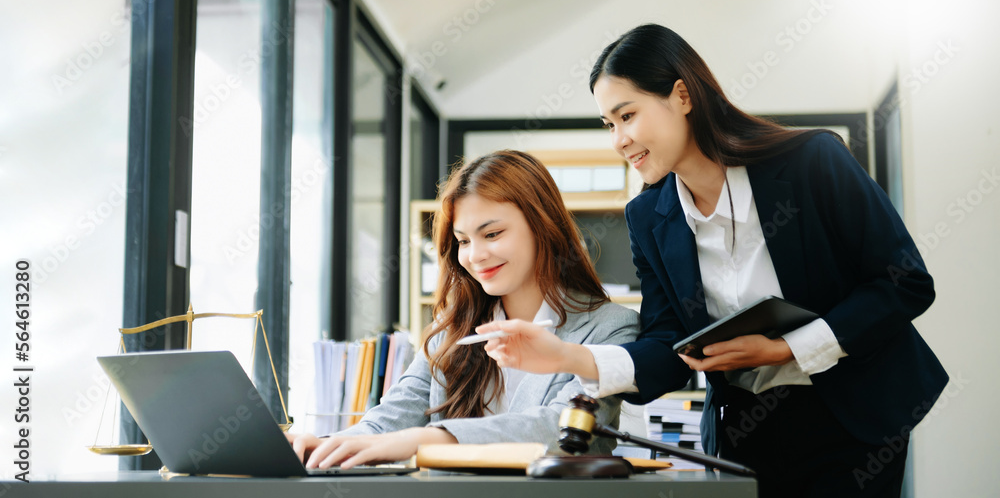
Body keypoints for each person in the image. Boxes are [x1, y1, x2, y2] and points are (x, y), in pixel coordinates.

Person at [479, 25, 948, 497]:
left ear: (682, 95)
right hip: (744, 430)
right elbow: (669, 345)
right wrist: (565, 356)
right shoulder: (648, 216)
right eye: (608, 124)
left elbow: (904, 282)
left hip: (852, 417)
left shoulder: (813, 162)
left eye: (627, 115)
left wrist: (786, 349)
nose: (618, 140)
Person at [287, 149, 640, 470]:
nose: (475, 255)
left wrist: (425, 438)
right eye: (463, 241)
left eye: (492, 234)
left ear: (542, 227)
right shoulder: (451, 330)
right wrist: (330, 446)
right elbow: (391, 418)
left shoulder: (611, 328)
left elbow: (558, 431)